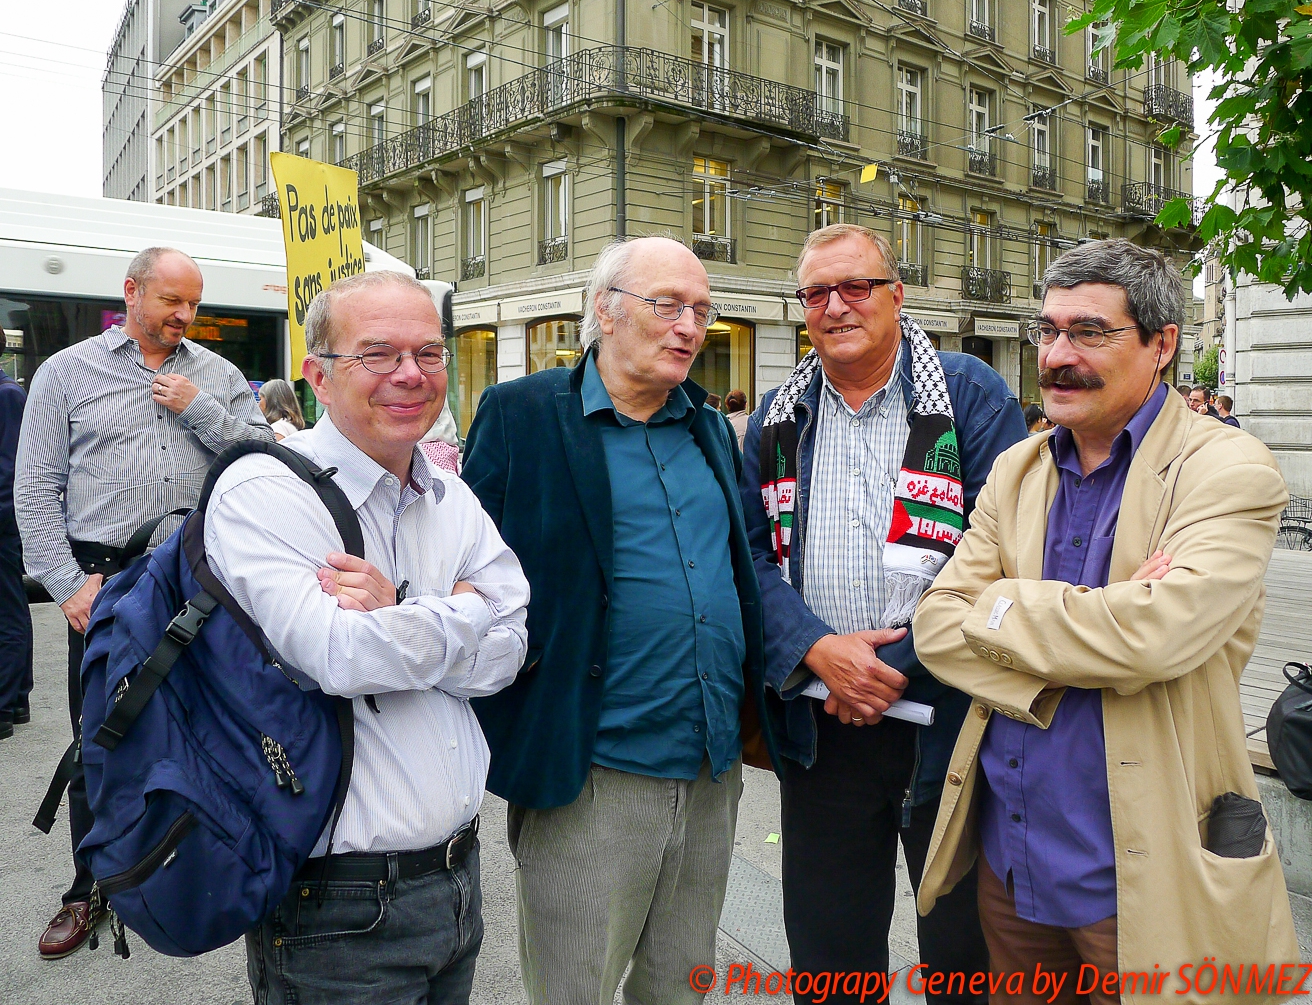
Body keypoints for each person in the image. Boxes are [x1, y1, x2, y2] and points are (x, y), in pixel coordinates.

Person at [913, 238, 1298, 1002]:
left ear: (1162, 345)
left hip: (1144, 865)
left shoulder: (1228, 469)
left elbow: (1157, 636)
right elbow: (934, 626)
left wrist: (999, 611)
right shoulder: (1018, 467)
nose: (1058, 354)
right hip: (1010, 857)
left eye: (1090, 332)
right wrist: (1106, 616)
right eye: (1048, 330)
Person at [462, 237, 779, 1005]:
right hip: (591, 770)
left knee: (680, 986)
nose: (690, 325)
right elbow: (460, 557)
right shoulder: (525, 415)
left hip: (710, 769)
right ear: (604, 311)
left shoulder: (705, 424)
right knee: (576, 989)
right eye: (667, 304)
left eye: (701, 309)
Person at [205, 270, 529, 1003]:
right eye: (378, 354)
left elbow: (513, 653)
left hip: (456, 881)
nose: (410, 375)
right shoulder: (264, 492)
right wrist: (466, 608)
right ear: (318, 375)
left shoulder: (450, 492)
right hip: (337, 909)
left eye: (429, 353)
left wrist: (400, 613)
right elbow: (342, 657)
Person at [738, 224, 1026, 1004]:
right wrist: (818, 650)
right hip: (823, 727)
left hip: (951, 725)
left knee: (966, 957)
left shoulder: (967, 392)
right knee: (832, 960)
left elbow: (996, 547)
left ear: (897, 294)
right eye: (817, 293)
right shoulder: (778, 415)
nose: (836, 306)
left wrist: (882, 670)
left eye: (856, 286)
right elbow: (751, 556)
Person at [15, 246, 274, 959]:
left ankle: (228, 868)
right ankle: (89, 887)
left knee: (220, 728)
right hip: (108, 580)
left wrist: (203, 413)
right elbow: (35, 488)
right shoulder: (67, 372)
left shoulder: (215, 376)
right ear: (130, 293)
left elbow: (262, 458)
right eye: (171, 302)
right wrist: (68, 586)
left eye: (193, 304)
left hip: (200, 575)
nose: (184, 317)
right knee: (102, 737)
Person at [0, 329, 32, 741]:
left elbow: (11, 468)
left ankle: (5, 703)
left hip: (3, 520)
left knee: (7, 611)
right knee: (9, 605)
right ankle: (17, 695)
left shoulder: (8, 395)